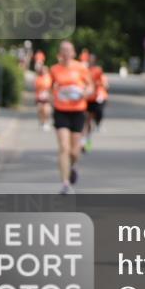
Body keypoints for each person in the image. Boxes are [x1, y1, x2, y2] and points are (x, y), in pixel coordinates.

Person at [49, 41, 94, 194]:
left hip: (77, 110)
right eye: (63, 50)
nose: (66, 53)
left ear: (74, 53)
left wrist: (84, 92)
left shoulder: (81, 68)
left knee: (74, 152)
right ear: (60, 53)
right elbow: (49, 88)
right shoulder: (54, 69)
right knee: (63, 148)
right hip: (61, 110)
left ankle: (72, 166)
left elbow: (90, 86)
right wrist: (53, 98)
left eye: (69, 50)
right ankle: (65, 183)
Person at [82, 53, 109, 151]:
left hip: (95, 98)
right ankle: (84, 140)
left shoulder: (98, 70)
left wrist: (99, 86)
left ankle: (88, 138)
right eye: (89, 59)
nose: (90, 61)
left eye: (92, 59)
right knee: (86, 120)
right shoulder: (83, 69)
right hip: (85, 99)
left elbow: (103, 82)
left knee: (91, 119)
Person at [34, 65, 53, 132]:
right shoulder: (38, 78)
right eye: (42, 70)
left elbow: (51, 87)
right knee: (40, 109)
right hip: (39, 96)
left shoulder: (49, 77)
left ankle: (45, 122)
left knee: (46, 110)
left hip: (47, 96)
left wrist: (50, 95)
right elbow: (36, 87)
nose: (43, 71)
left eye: (44, 70)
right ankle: (41, 121)